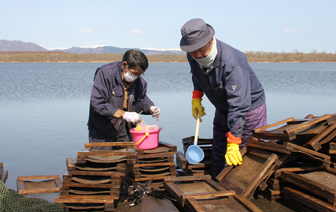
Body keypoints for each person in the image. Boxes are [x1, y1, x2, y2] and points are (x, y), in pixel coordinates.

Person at [180, 18, 267, 179]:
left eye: (201, 50)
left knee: (244, 153)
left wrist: (234, 141)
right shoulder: (192, 56)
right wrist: (197, 97)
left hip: (248, 110)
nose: (197, 55)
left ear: (210, 41)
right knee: (219, 149)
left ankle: (240, 193)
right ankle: (217, 183)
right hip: (223, 106)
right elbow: (197, 76)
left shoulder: (232, 61)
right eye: (193, 51)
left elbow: (239, 104)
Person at [87, 49, 160, 150]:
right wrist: (123, 114)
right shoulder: (105, 74)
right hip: (102, 133)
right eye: (134, 73)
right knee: (103, 163)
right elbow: (98, 102)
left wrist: (150, 107)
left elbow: (141, 99)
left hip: (125, 132)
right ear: (124, 65)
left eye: (139, 74)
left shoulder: (139, 81)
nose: (136, 77)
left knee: (126, 162)